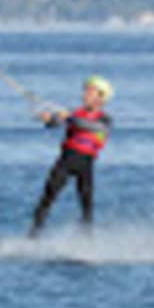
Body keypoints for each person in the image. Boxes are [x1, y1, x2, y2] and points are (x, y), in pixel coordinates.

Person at [29, 75, 114, 237]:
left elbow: (92, 126)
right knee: (48, 196)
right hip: (66, 160)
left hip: (86, 163)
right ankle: (33, 235)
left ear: (101, 98)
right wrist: (48, 119)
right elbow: (54, 123)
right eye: (85, 91)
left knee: (86, 204)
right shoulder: (75, 112)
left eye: (90, 91)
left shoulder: (105, 119)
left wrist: (69, 118)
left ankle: (87, 238)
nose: (84, 94)